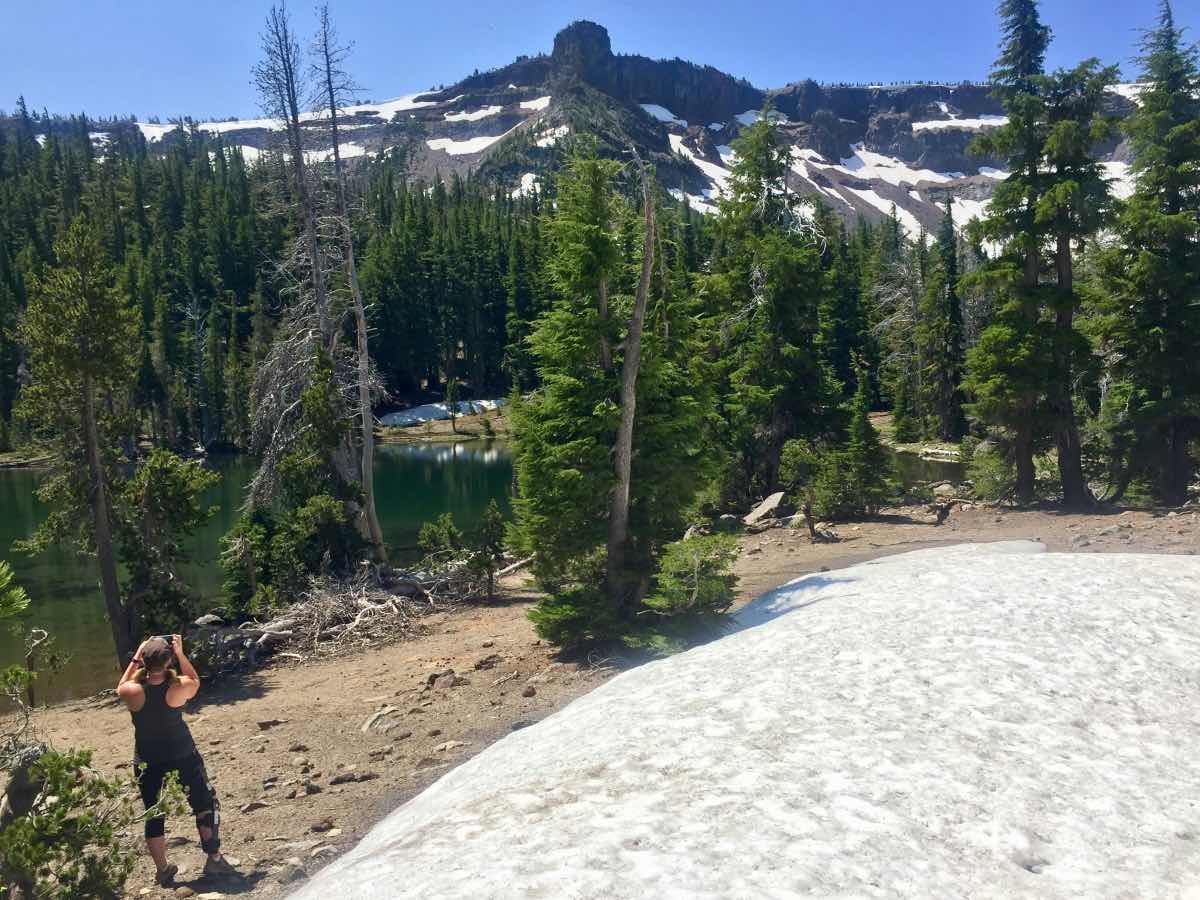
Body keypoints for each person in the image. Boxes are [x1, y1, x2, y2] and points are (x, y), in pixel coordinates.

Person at [116, 635, 239, 886]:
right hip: (182, 755)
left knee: (154, 812)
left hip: (147, 759)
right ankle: (214, 859)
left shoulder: (133, 691)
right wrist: (181, 654)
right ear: (169, 660)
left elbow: (122, 684)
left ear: (145, 662)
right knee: (205, 802)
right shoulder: (178, 687)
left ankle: (162, 869)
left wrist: (137, 655)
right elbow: (195, 680)